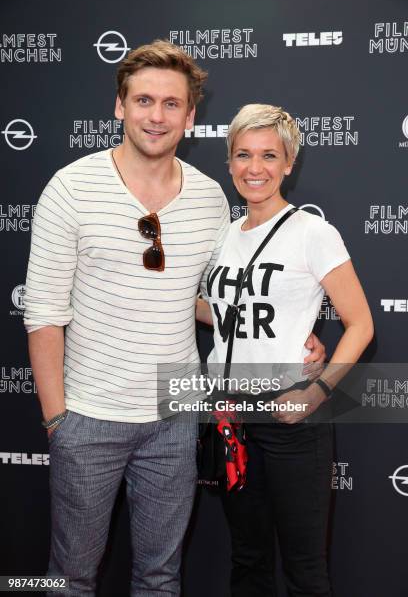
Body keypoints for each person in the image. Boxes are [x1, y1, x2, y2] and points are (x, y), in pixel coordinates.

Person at [24, 42, 326, 597]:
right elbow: (43, 315)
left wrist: (285, 327)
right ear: (120, 106)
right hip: (89, 419)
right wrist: (57, 423)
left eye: (170, 104)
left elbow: (204, 298)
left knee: (161, 578)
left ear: (190, 117)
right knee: (70, 580)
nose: (156, 115)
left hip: (176, 416)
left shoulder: (211, 198)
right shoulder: (70, 188)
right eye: (143, 100)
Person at [196, 104, 374, 597]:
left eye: (269, 155)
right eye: (243, 155)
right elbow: (228, 311)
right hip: (231, 414)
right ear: (229, 162)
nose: (256, 168)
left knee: (303, 568)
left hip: (291, 417)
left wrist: (317, 391)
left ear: (289, 162)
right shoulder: (223, 236)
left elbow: (360, 323)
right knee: (248, 561)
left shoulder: (314, 233)